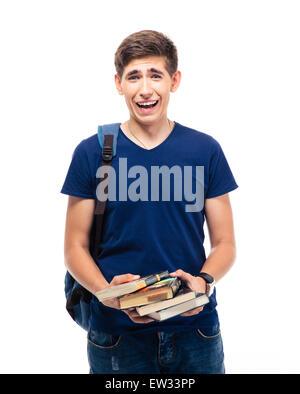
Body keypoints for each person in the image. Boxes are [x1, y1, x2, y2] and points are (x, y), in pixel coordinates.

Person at [61, 30, 238, 374]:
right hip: (116, 336)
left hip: (195, 330)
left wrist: (203, 280)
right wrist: (104, 292)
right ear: (118, 83)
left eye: (155, 75)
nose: (145, 89)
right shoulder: (92, 151)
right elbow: (73, 247)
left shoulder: (205, 150)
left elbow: (226, 243)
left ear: (174, 80)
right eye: (134, 77)